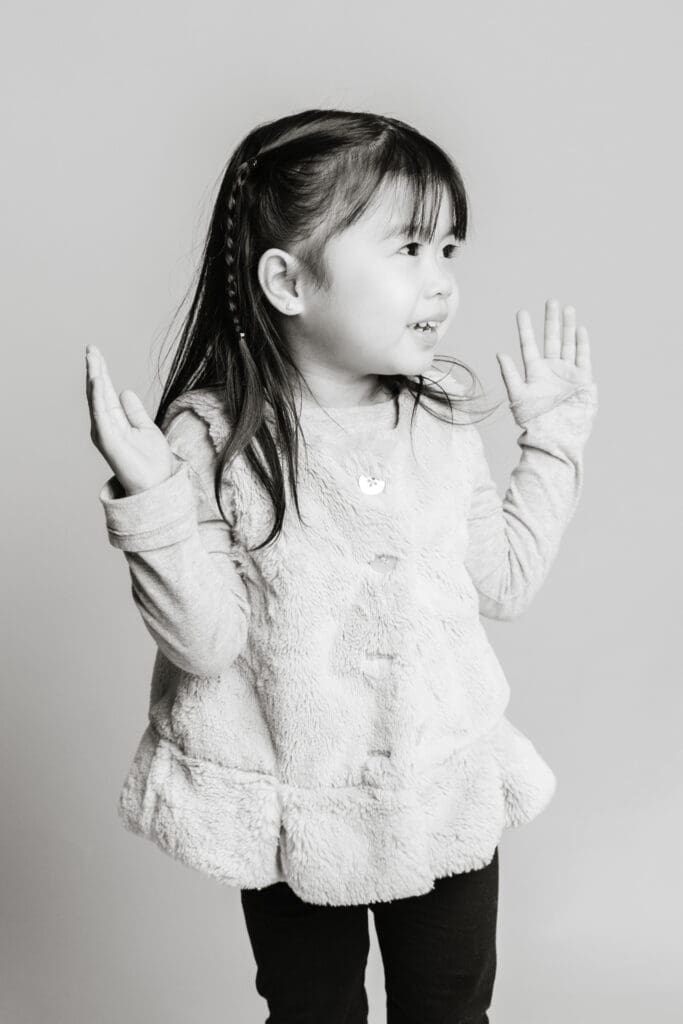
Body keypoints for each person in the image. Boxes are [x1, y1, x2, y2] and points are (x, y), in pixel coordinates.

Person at [85, 108, 598, 1023]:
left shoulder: (438, 414)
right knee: (311, 1011)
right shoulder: (213, 437)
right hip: (294, 813)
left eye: (449, 249)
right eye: (407, 249)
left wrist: (551, 444)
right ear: (288, 280)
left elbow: (505, 579)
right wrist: (154, 506)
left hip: (441, 792)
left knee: (448, 1010)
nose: (439, 282)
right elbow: (205, 645)